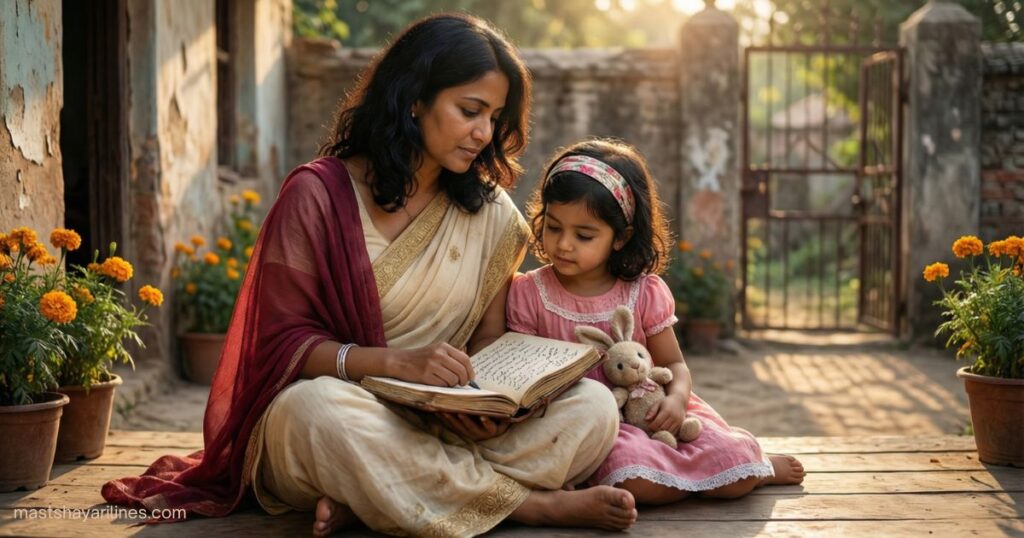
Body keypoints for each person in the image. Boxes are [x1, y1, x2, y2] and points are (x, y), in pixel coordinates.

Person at [101, 14, 638, 536]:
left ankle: (380, 495)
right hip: (349, 408)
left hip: (442, 421)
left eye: (494, 118)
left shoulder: (491, 214)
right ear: (414, 99)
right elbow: (279, 346)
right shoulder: (318, 196)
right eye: (470, 110)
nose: (483, 132)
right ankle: (528, 507)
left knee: (592, 407)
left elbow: (487, 341)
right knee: (314, 411)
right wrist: (395, 364)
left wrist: (483, 404)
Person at [506, 139, 806, 506]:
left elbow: (674, 364)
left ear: (621, 238)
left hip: (658, 409)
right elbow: (523, 377)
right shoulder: (530, 293)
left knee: (733, 467)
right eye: (553, 227)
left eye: (584, 235)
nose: (564, 244)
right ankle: (692, 480)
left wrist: (678, 400)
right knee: (633, 478)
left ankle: (755, 467)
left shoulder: (642, 292)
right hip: (597, 425)